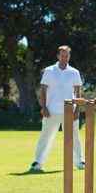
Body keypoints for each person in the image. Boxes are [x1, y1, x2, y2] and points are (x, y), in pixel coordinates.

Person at [28, 45, 85, 173]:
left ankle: (80, 161)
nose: (65, 58)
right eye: (62, 55)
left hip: (70, 110)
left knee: (74, 137)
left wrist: (77, 109)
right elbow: (43, 90)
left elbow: (78, 92)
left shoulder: (74, 72)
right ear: (58, 56)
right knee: (46, 137)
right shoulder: (49, 71)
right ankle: (38, 162)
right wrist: (44, 107)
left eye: (67, 55)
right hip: (51, 110)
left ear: (69, 56)